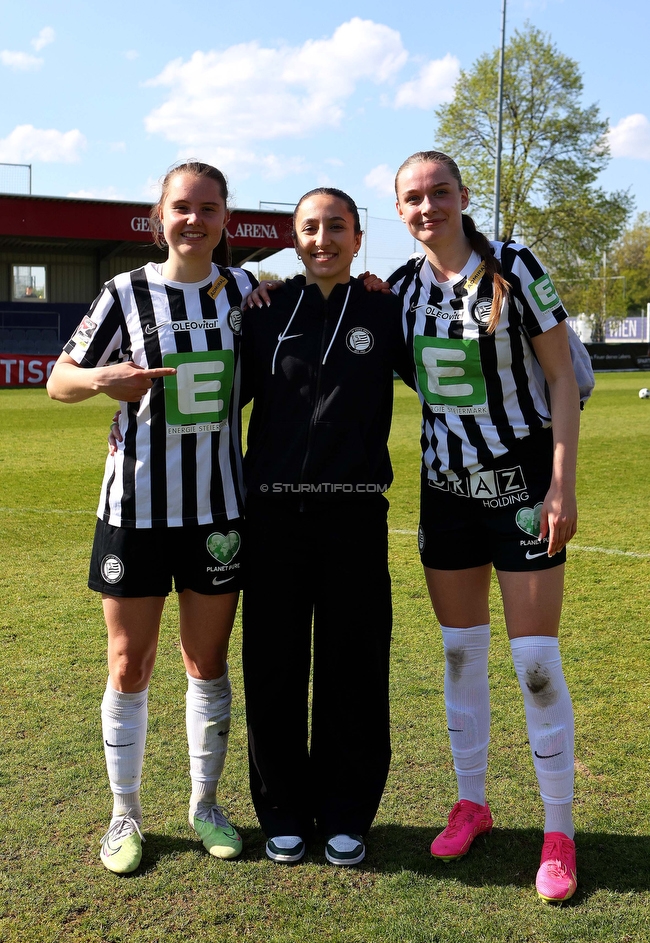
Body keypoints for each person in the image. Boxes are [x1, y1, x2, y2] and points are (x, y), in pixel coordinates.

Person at [47, 160, 255, 874]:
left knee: (206, 664)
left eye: (208, 207)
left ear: (226, 217)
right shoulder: (124, 293)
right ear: (157, 217)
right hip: (134, 512)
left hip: (217, 511)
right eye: (181, 207)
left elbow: (317, 292)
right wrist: (102, 379)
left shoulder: (247, 290)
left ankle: (205, 804)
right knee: (129, 664)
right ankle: (124, 816)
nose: (194, 219)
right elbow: (59, 380)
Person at [388, 150, 580, 902]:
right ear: (399, 210)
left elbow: (562, 376)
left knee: (535, 663)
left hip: (525, 489)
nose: (428, 206)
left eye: (440, 192)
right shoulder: (399, 289)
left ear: (463, 197)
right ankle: (473, 802)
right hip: (445, 495)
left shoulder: (514, 266)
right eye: (413, 197)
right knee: (462, 658)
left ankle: (558, 829)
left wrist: (562, 484)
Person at [240, 188, 413, 866]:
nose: (322, 239)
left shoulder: (383, 308)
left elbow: (443, 380)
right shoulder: (264, 310)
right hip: (274, 516)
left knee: (355, 669)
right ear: (294, 237)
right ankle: (281, 809)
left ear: (358, 237)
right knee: (274, 667)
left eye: (335, 227)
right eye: (310, 228)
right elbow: (220, 400)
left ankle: (347, 812)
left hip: (354, 514)